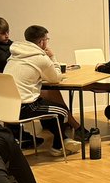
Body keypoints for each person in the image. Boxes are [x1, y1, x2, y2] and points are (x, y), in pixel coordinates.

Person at [5, 25, 81, 155]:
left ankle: (63, 139)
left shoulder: (14, 55)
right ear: (41, 41)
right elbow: (55, 78)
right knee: (61, 110)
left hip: (6, 107)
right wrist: (52, 57)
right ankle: (58, 146)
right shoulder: (40, 58)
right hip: (24, 107)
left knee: (49, 105)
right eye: (47, 39)